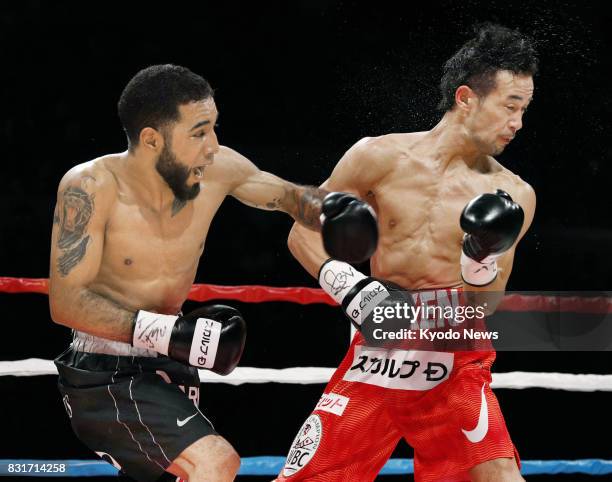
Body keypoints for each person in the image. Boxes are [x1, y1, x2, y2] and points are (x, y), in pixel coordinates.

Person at [49, 64, 377, 482]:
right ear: (152, 139)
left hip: (172, 364)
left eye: (214, 129)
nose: (213, 146)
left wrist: (330, 212)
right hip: (105, 370)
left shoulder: (217, 169)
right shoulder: (92, 186)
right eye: (199, 132)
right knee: (215, 462)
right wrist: (170, 333)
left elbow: (286, 196)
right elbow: (66, 302)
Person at [277, 24, 537, 482]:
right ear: (466, 98)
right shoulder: (377, 156)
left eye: (524, 109)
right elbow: (303, 233)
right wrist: (353, 291)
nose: (518, 122)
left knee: (498, 476)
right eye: (510, 106)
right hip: (377, 348)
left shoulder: (513, 194)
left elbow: (489, 302)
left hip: (454, 355)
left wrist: (478, 261)